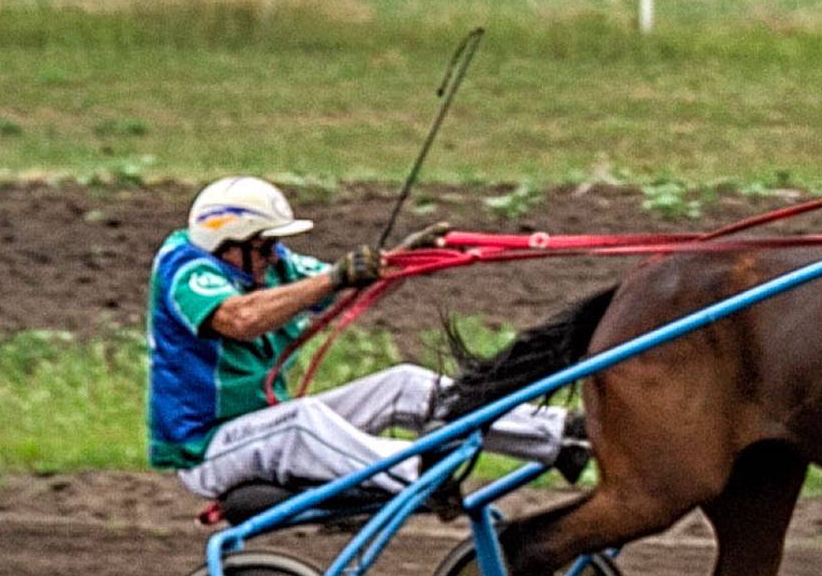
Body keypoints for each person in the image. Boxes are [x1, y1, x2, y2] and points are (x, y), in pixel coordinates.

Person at [151, 176, 561, 509]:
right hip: (208, 451)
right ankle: (417, 473)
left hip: (263, 429)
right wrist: (333, 279)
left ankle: (559, 434)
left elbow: (344, 284)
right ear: (228, 246)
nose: (276, 256)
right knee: (302, 420)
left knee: (403, 384)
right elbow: (239, 318)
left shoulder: (273, 265)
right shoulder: (185, 268)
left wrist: (402, 259)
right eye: (264, 247)